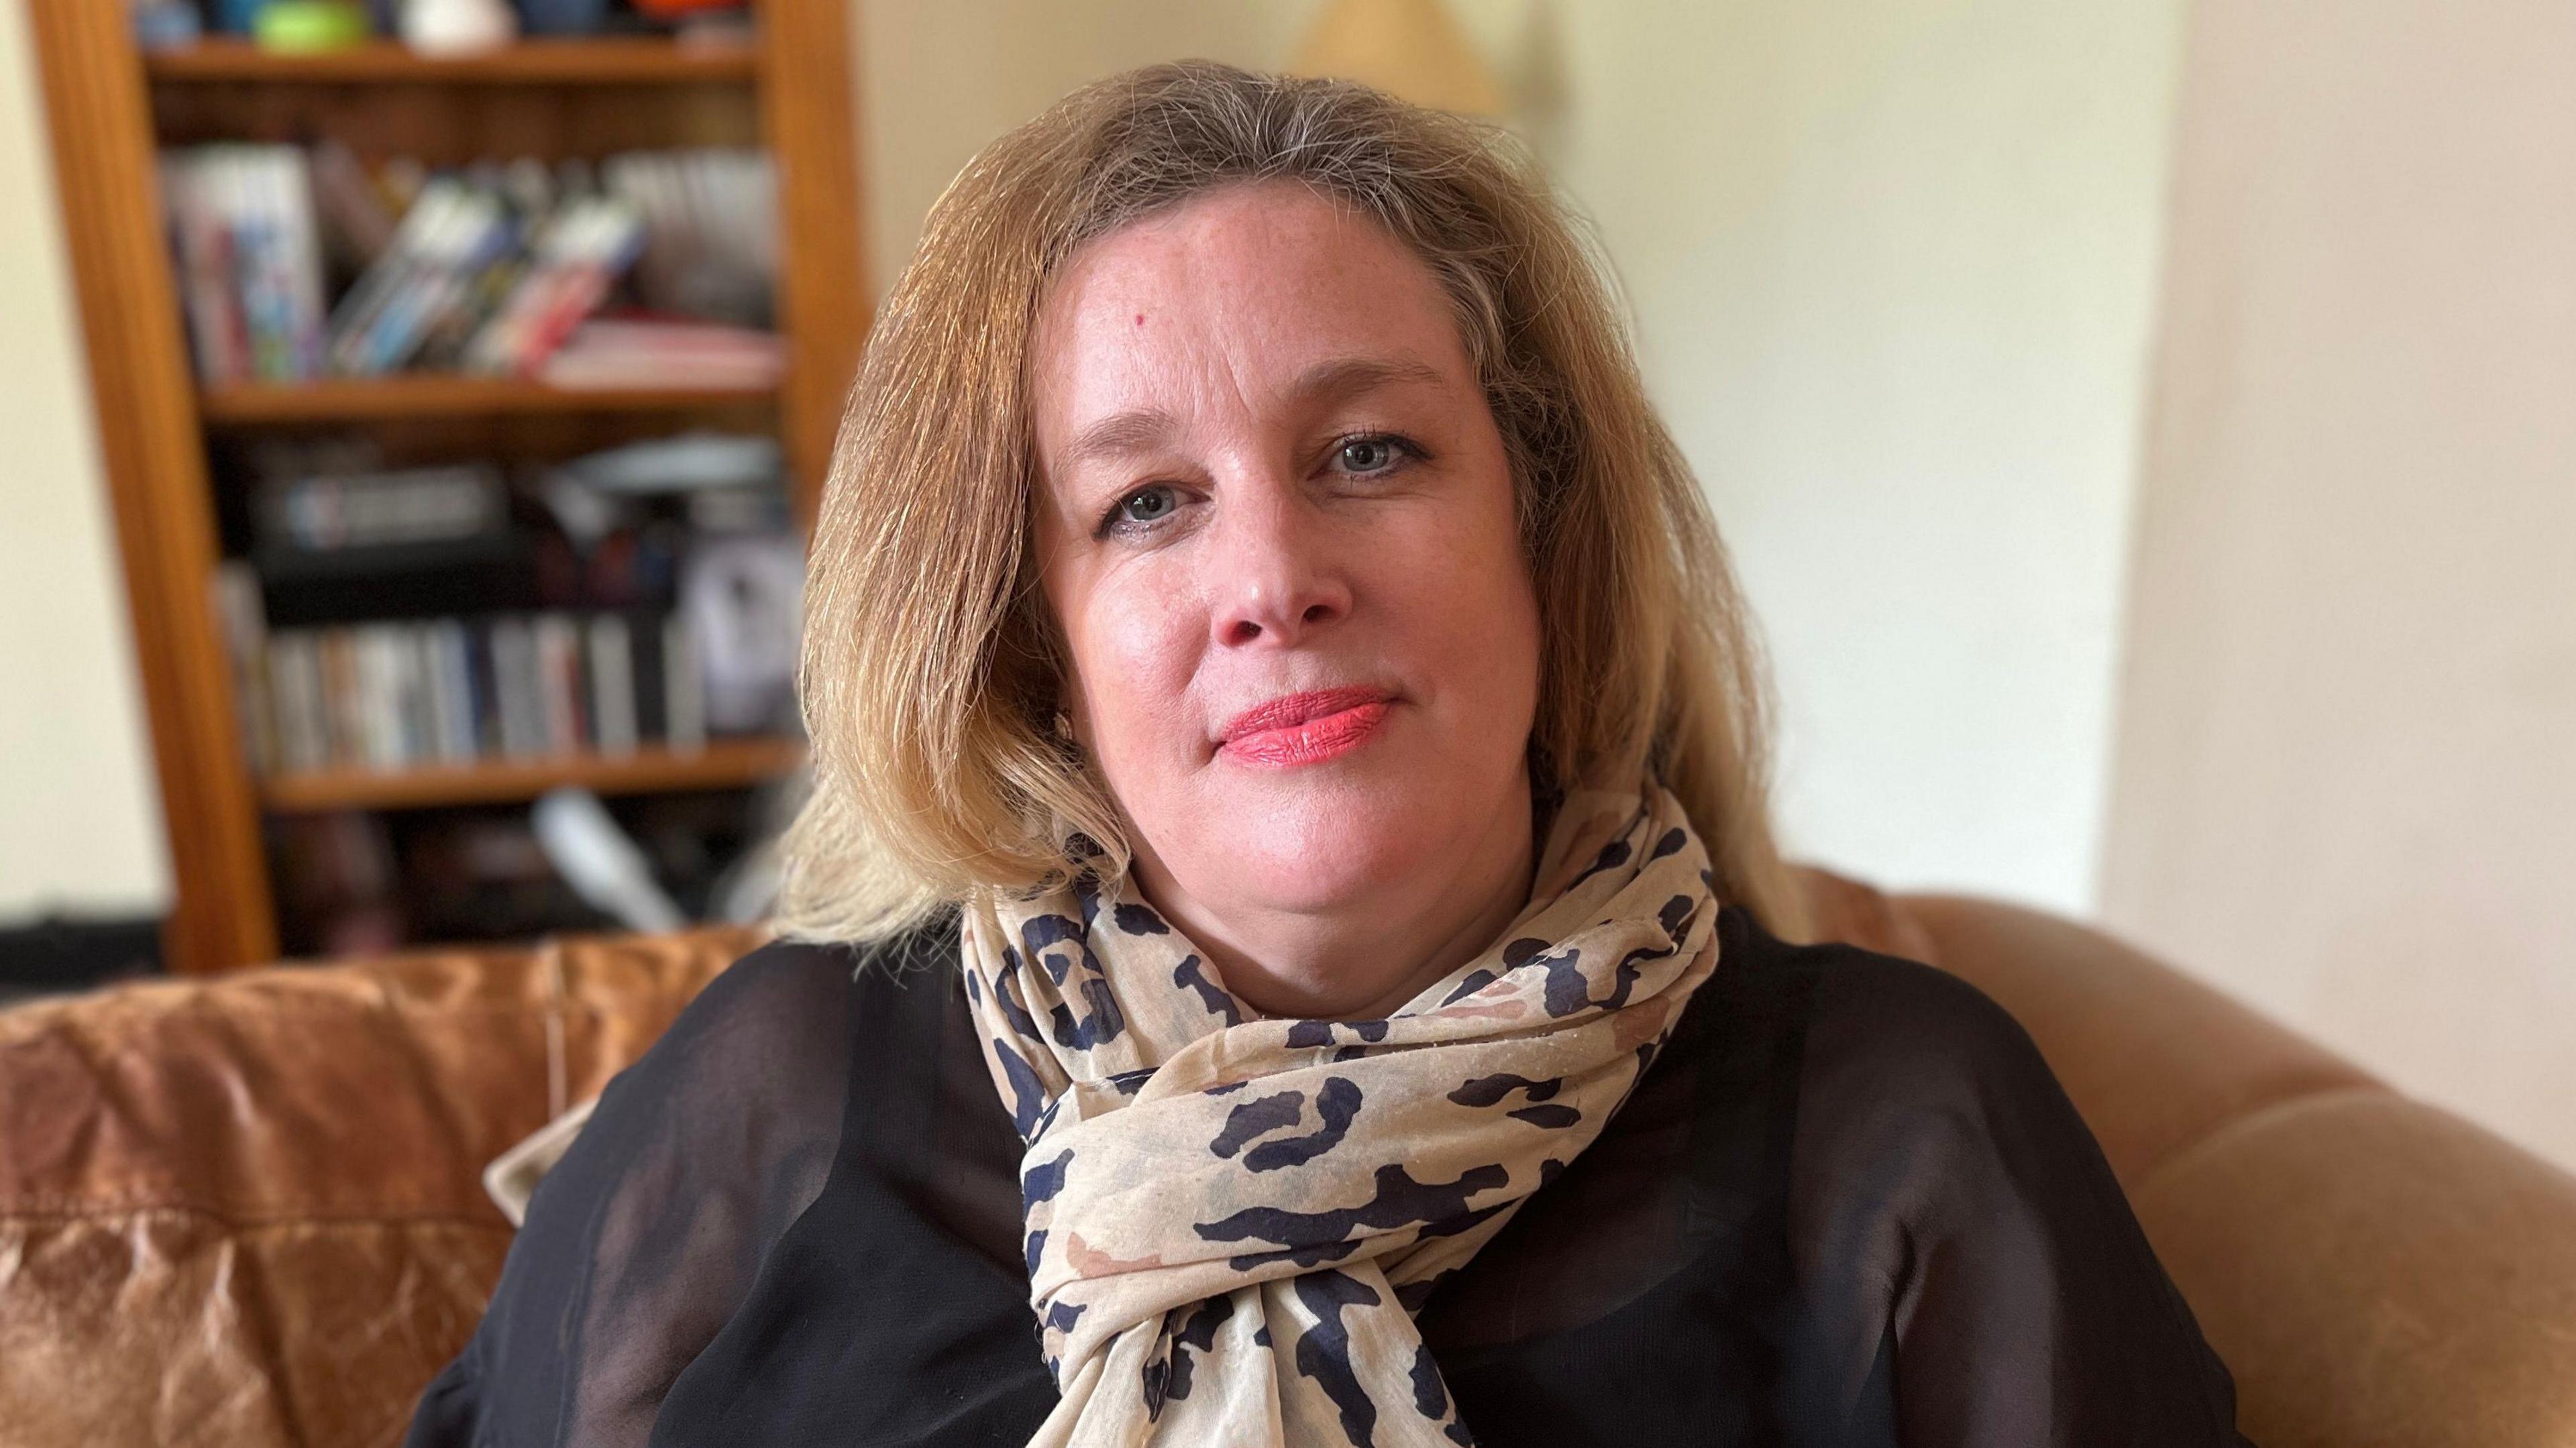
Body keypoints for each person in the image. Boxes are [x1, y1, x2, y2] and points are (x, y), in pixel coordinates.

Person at [407, 61, 2249, 1448]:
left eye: (1369, 452)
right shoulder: (782, 1095)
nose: (1273, 581)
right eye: (1145, 503)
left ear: (1546, 527)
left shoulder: (1902, 1139)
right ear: (1031, 643)